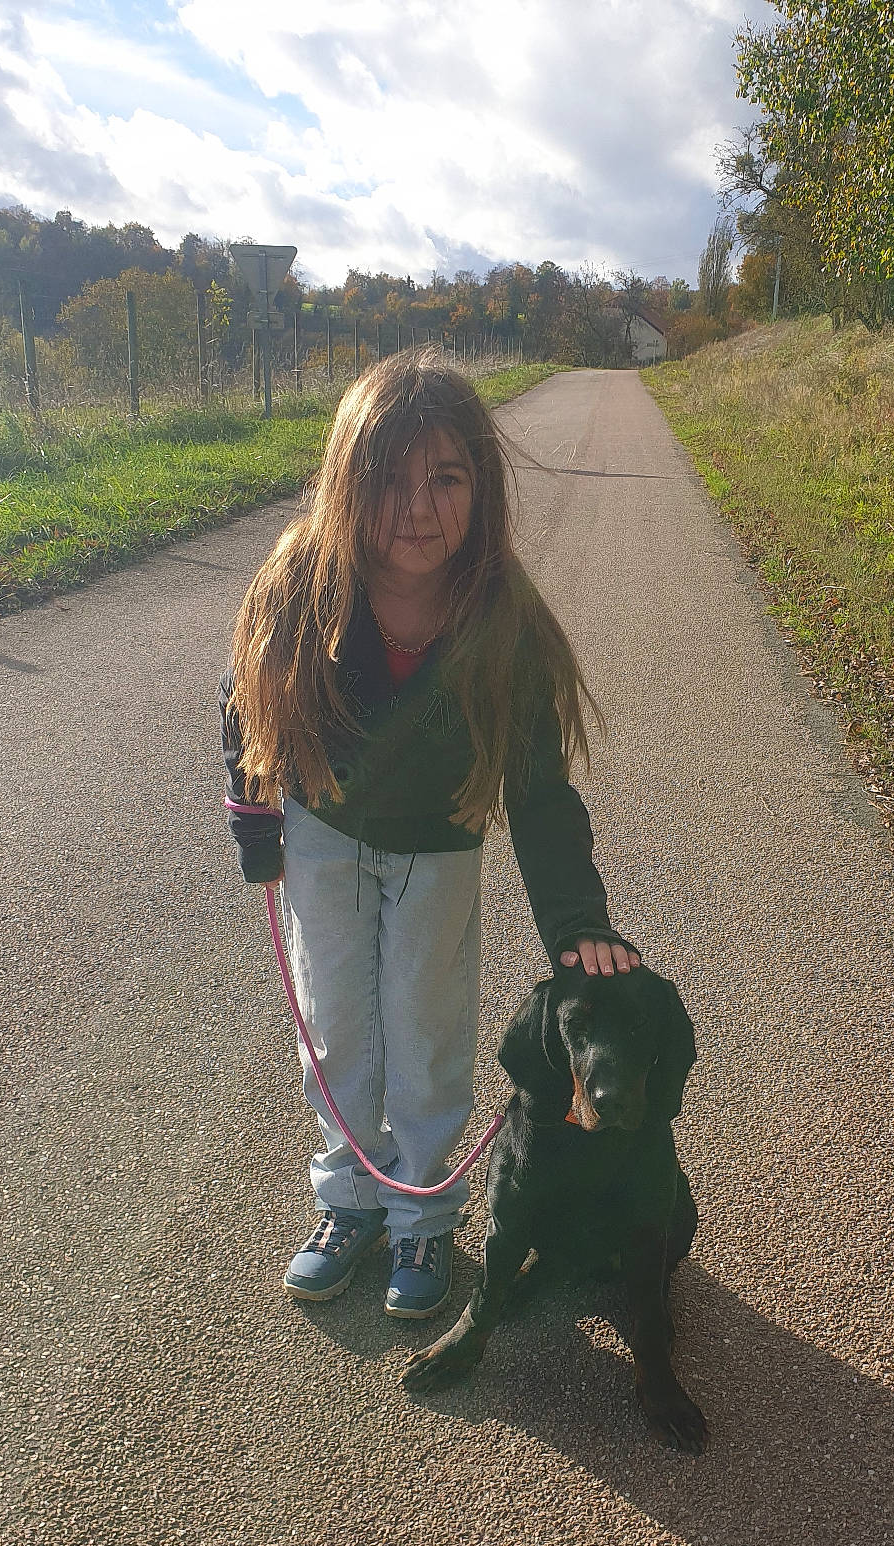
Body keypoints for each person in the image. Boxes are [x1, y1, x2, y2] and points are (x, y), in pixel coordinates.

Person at [220, 349, 640, 1320]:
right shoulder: (300, 581)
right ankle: (350, 1198)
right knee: (337, 1026)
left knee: (425, 1031)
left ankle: (421, 1210)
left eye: (446, 479)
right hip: (323, 838)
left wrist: (579, 919)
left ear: (481, 491)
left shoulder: (504, 620)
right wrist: (255, 820)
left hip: (439, 852)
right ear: (346, 484)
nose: (417, 508)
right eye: (391, 481)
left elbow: (536, 787)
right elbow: (245, 700)